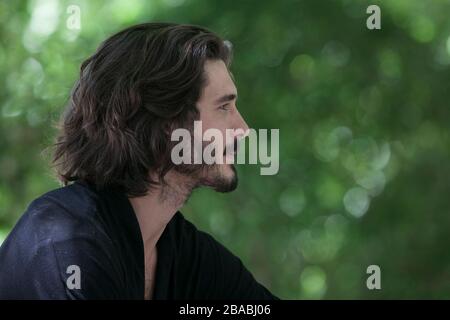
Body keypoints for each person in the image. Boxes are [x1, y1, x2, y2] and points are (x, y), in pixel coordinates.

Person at [0, 22, 278, 300]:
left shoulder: (185, 257)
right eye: (224, 106)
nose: (243, 128)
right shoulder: (67, 244)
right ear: (165, 119)